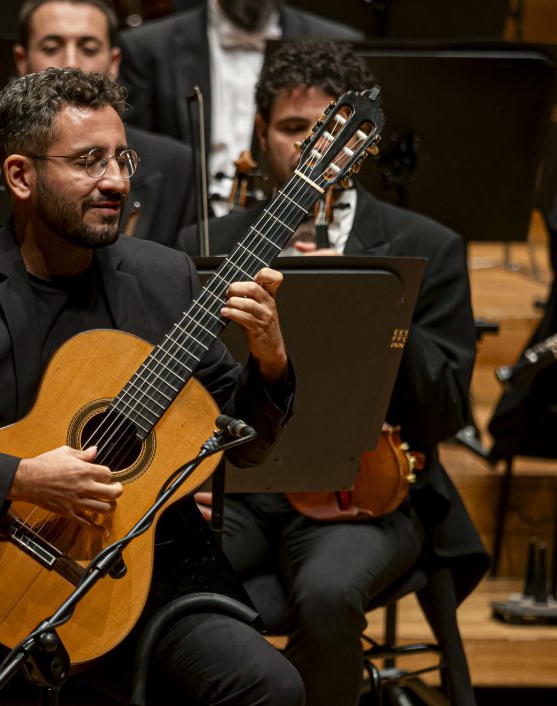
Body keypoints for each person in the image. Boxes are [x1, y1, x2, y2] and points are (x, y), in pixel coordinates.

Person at [0, 67, 304, 705]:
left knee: (268, 685)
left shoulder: (164, 277)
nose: (115, 181)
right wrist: (20, 478)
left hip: (132, 571)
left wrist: (270, 360)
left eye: (120, 157)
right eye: (88, 161)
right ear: (21, 176)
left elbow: (238, 444)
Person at [181, 41, 489, 706]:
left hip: (367, 496)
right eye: (295, 131)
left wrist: (378, 302)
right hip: (241, 492)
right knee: (162, 574)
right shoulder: (206, 243)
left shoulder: (425, 247)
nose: (315, 155)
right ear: (262, 134)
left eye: (332, 137)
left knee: (325, 594)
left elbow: (446, 411)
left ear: (362, 145)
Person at [0, 0, 196, 249]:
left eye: (89, 48)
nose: (71, 62)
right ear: (22, 61)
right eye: (52, 47)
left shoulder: (178, 165)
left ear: (114, 62)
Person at [118, 0, 361, 215]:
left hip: (299, 215)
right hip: (186, 226)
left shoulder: (341, 42)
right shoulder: (147, 48)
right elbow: (139, 158)